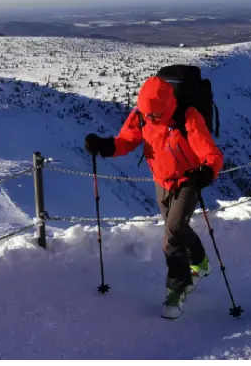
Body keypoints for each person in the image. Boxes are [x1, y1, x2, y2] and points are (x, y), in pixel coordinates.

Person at [84, 74, 224, 319]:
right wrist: (105, 146)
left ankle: (177, 288)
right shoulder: (141, 115)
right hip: (162, 181)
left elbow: (211, 154)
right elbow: (126, 140)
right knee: (177, 228)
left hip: (189, 181)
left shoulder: (187, 116)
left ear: (168, 106)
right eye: (148, 115)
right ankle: (200, 263)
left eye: (156, 116)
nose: (151, 120)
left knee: (172, 236)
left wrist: (205, 173)